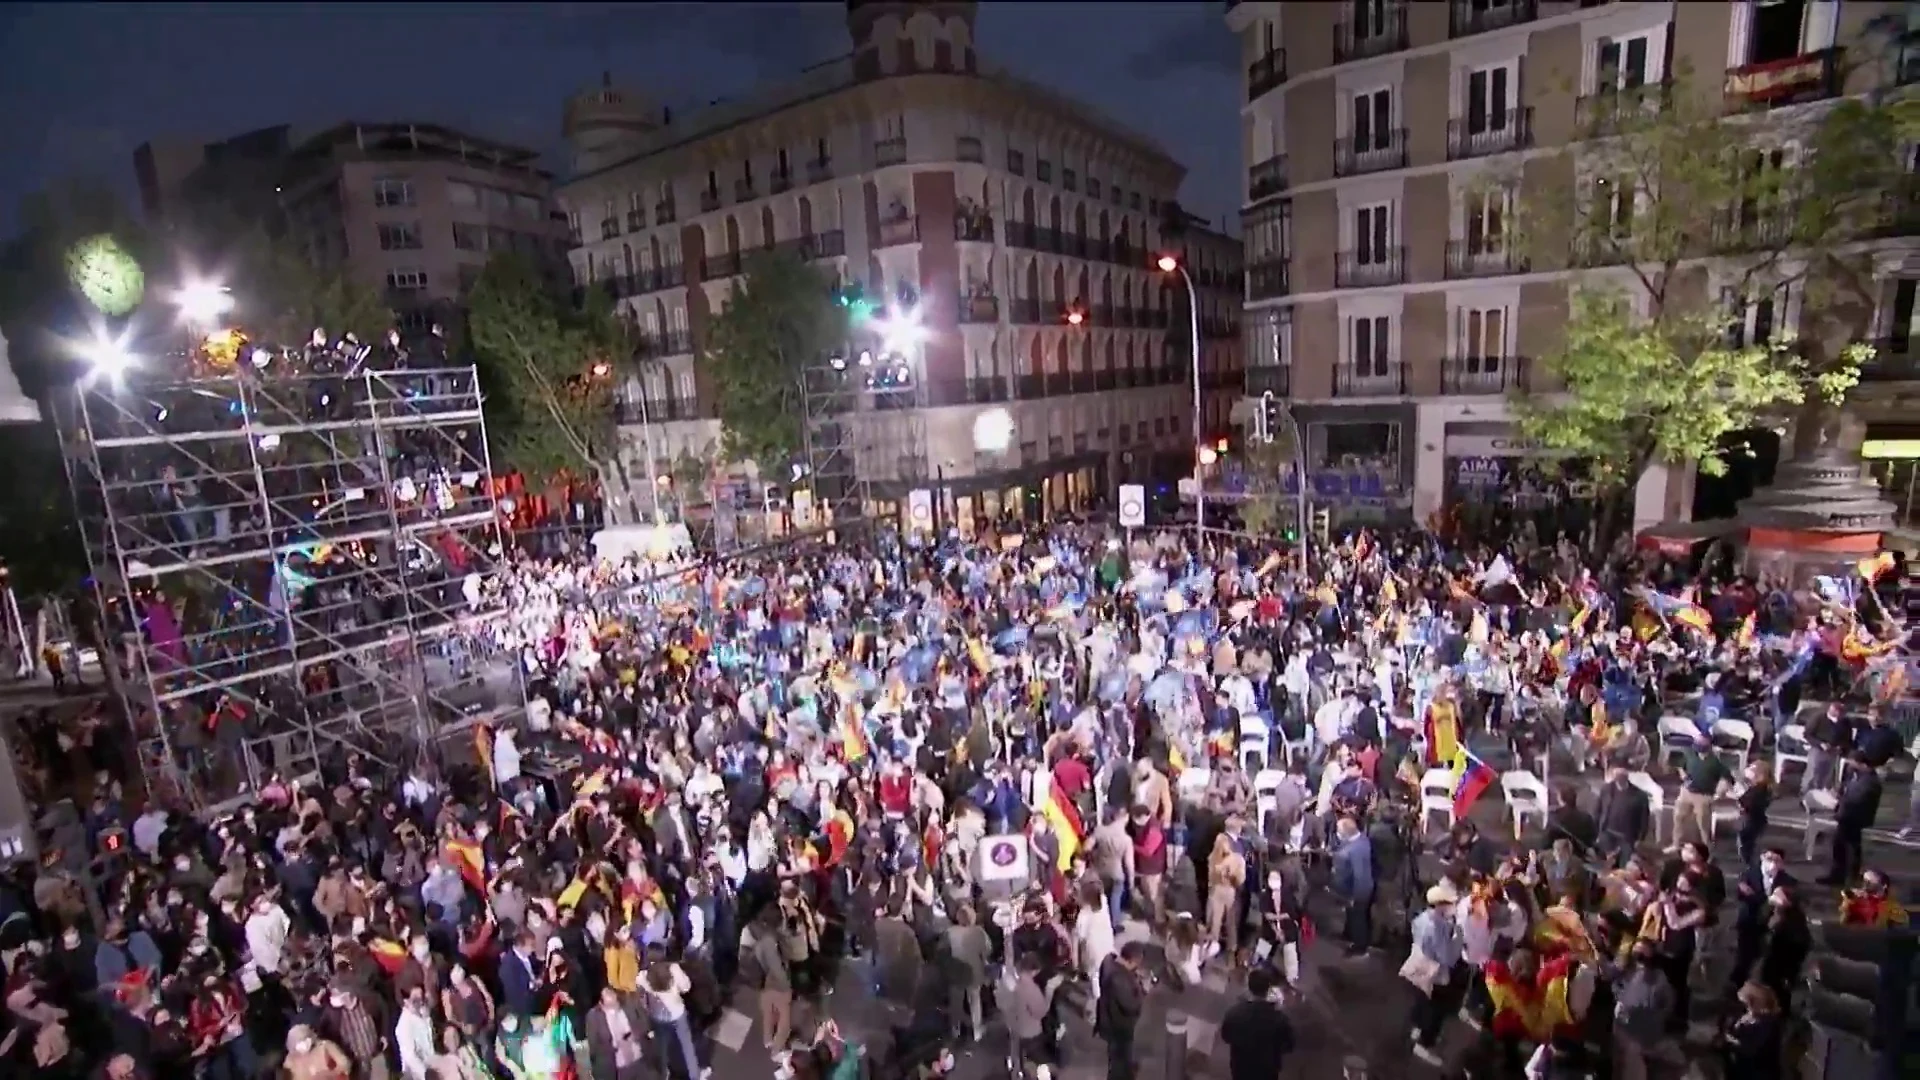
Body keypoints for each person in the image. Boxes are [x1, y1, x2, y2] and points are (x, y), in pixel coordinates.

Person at [1406, 885, 1466, 1067]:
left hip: (1419, 967)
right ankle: (1425, 1043)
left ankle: (1416, 1028)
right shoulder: (1437, 927)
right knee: (1436, 1011)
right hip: (1436, 975)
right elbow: (1447, 958)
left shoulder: (1421, 919)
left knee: (1422, 1000)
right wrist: (1458, 938)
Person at [1219, 966, 1295, 1080]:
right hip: (1267, 1071)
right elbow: (1289, 1045)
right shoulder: (1280, 1019)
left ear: (1249, 987)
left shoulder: (1234, 1013)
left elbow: (1226, 1036)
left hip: (1240, 1068)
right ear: (1268, 989)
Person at [1819, 754, 1882, 885]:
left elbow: (1857, 799)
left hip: (1853, 817)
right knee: (1844, 845)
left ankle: (1845, 876)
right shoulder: (1858, 776)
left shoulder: (1869, 782)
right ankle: (1843, 875)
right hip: (1848, 815)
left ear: (1863, 764)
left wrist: (1839, 800)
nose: (1850, 766)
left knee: (1847, 847)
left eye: (1853, 763)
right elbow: (1848, 790)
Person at [1095, 942, 1147, 1080]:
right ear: (1133, 960)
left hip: (1110, 1023)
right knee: (1120, 1063)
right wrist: (1142, 990)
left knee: (1116, 1061)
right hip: (1119, 1028)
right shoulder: (1119, 978)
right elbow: (1131, 1005)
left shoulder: (1109, 963)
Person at [1719, 982, 1785, 1080]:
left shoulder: (1768, 1023)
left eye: (1745, 1003)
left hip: (1757, 1073)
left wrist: (1730, 1040)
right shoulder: (1747, 1016)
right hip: (1740, 1068)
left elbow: (1751, 1049)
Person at [1329, 816, 1373, 955]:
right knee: (1351, 915)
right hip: (1349, 890)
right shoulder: (1361, 840)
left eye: (1339, 831)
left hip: (1358, 892)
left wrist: (1356, 896)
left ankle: (1359, 946)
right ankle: (1349, 934)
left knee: (1358, 918)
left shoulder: (1355, 851)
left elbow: (1360, 876)